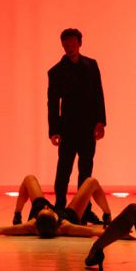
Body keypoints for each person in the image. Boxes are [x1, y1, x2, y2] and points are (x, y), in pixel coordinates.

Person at [48, 28, 107, 223]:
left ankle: (84, 208)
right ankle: (59, 207)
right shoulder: (56, 71)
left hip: (88, 126)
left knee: (86, 169)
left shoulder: (91, 65)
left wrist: (100, 121)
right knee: (64, 169)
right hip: (68, 127)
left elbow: (98, 94)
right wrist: (54, 130)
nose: (69, 48)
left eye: (73, 45)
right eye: (66, 45)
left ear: (80, 44)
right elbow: (53, 103)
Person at [0, 174, 112, 238]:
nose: (48, 207)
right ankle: (107, 214)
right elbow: (97, 232)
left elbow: (0, 230)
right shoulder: (67, 227)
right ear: (56, 220)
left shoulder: (30, 226)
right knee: (91, 182)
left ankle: (17, 213)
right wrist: (121, 232)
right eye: (48, 209)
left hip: (47, 218)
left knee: (29, 178)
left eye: (44, 209)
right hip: (70, 216)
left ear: (35, 219)